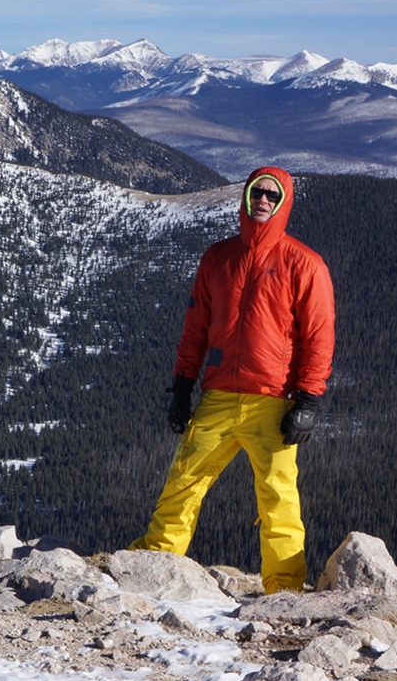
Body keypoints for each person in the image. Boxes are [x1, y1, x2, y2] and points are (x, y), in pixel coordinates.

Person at [128, 166, 335, 594]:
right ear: (244, 198)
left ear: (283, 203)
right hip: (219, 395)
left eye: (271, 196)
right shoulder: (217, 258)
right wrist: (183, 386)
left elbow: (319, 335)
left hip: (273, 400)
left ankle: (285, 592)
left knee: (278, 498)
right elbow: (195, 329)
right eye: (256, 192)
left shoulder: (304, 264)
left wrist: (309, 400)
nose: (262, 200)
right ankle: (154, 567)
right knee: (182, 483)